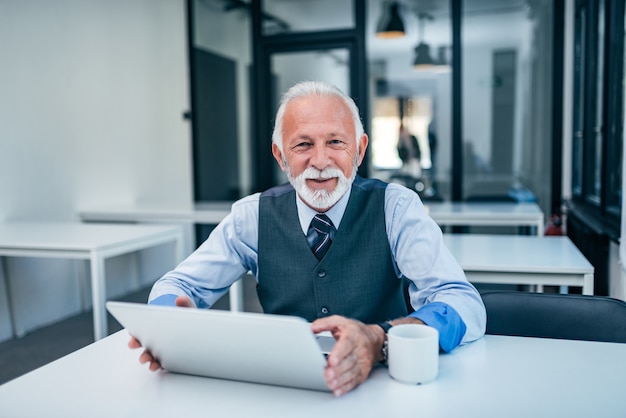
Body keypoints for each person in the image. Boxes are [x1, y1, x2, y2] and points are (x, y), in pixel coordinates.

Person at [129, 81, 486, 397]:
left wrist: (381, 337)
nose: (320, 160)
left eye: (335, 142)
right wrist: (168, 326)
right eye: (302, 145)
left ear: (359, 151)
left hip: (385, 388)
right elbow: (176, 284)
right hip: (285, 392)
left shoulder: (395, 208)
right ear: (280, 154)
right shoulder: (251, 216)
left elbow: (462, 302)